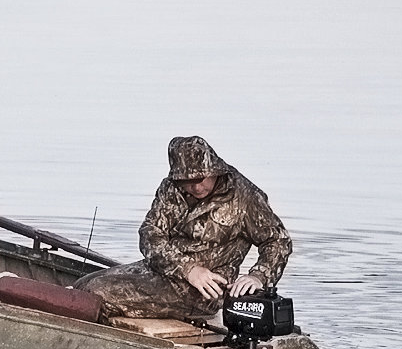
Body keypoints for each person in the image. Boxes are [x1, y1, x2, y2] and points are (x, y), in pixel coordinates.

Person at [75, 135, 291, 321]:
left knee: (96, 295)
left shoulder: (245, 196)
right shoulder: (171, 188)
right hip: (163, 270)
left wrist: (258, 276)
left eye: (200, 179)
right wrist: (187, 269)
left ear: (214, 170)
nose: (196, 187)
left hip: (203, 291)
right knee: (82, 285)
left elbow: (277, 240)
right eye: (187, 181)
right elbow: (150, 234)